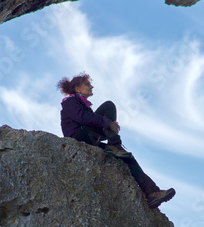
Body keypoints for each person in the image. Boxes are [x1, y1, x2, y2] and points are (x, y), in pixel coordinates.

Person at [57, 72, 175, 208]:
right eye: (87, 84)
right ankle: (115, 144)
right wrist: (108, 123)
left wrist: (107, 124)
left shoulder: (84, 105)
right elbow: (83, 118)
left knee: (127, 158)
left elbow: (90, 119)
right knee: (109, 106)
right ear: (77, 88)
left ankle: (152, 192)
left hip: (88, 137)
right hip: (78, 137)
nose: (92, 86)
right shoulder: (70, 102)